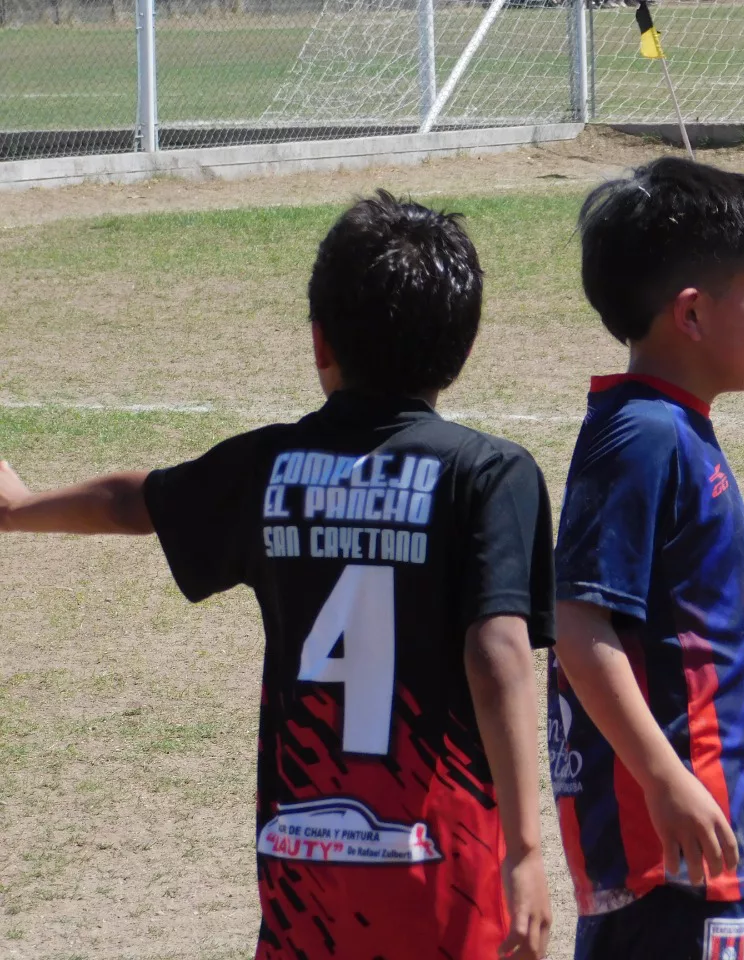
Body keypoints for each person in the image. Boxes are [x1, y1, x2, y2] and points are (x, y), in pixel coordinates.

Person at [0, 191, 554, 960]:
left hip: (308, 864)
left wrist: (18, 507)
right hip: (441, 868)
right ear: (463, 345)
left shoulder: (273, 468)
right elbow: (497, 651)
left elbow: (138, 500)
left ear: (320, 340)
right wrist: (527, 848)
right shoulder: (491, 476)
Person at [547, 157, 744, 960]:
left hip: (696, 848)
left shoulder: (672, 427)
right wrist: (664, 778)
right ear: (690, 316)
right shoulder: (645, 437)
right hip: (671, 865)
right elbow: (580, 621)